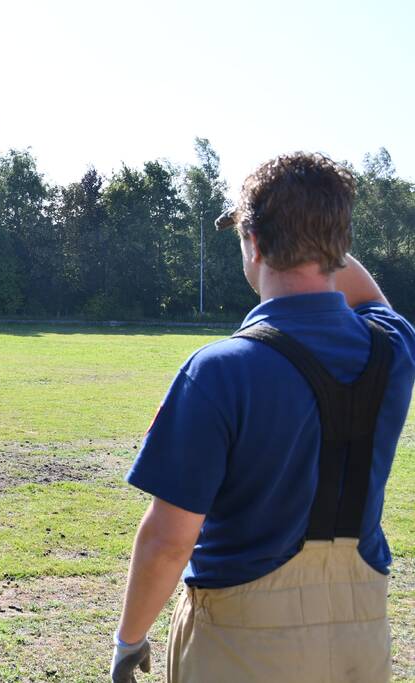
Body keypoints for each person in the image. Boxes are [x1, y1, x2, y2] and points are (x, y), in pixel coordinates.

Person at [111, 152, 415, 683]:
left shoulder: (219, 370)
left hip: (240, 642)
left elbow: (169, 540)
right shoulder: (393, 349)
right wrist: (318, 228)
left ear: (253, 243)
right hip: (360, 639)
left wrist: (129, 639)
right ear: (339, 244)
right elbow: (367, 295)